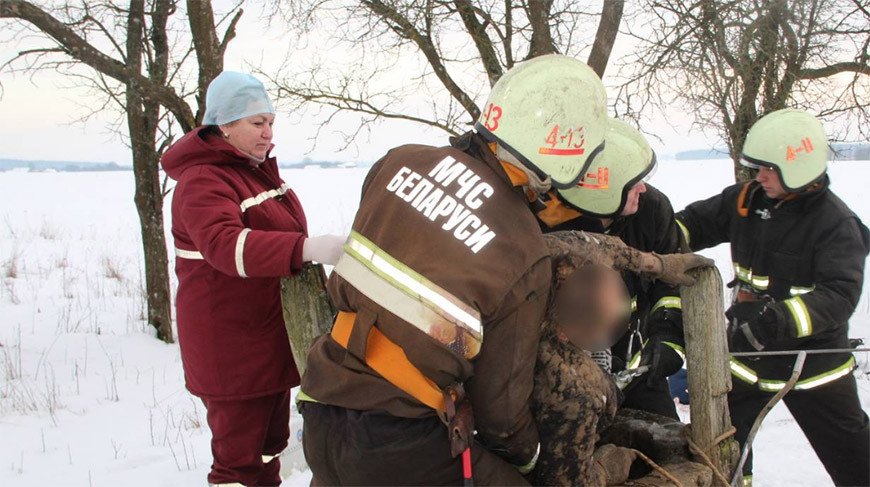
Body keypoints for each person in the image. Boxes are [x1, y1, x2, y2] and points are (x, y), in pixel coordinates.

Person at [161, 71, 345, 487]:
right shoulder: (203, 179)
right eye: (256, 123)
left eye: (271, 122)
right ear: (223, 125)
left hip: (263, 337)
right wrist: (305, 249)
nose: (268, 133)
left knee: (269, 447)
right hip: (230, 346)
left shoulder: (253, 171)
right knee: (238, 464)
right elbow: (226, 245)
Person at [676, 109, 870, 487]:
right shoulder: (747, 201)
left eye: (769, 169)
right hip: (747, 358)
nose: (759, 176)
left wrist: (773, 319)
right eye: (757, 167)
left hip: (812, 366)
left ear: (799, 168)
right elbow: (692, 225)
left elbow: (838, 296)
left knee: (854, 457)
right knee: (722, 449)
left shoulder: (837, 225)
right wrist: (651, 236)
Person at [535, 118, 687, 419]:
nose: (642, 188)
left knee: (669, 445)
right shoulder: (542, 223)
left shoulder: (652, 209)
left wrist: (667, 337)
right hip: (561, 373)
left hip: (636, 364)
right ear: (598, 187)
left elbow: (671, 284)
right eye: (631, 183)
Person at [532, 229, 705, 486]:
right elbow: (563, 481)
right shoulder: (573, 386)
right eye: (605, 319)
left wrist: (657, 264)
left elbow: (591, 244)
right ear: (566, 334)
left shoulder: (543, 256)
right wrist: (605, 469)